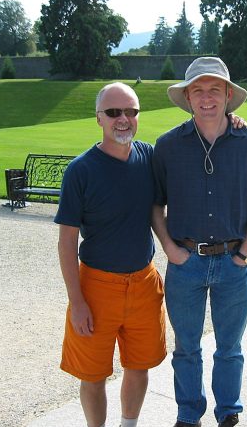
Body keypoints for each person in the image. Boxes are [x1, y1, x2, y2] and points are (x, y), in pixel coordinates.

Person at [151, 57, 247, 427]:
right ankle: (189, 414)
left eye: (214, 90)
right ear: (188, 98)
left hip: (233, 262)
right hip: (185, 262)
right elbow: (155, 205)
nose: (206, 98)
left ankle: (228, 412)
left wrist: (244, 255)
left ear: (227, 96)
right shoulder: (168, 146)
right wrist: (170, 250)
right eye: (198, 91)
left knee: (230, 348)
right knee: (186, 348)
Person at [54, 82, 167, 427]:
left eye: (131, 111)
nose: (123, 119)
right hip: (96, 286)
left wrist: (231, 119)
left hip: (144, 281)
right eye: (114, 112)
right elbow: (66, 242)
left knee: (139, 365)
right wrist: (77, 302)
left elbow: (191, 143)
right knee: (92, 374)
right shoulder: (81, 170)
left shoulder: (148, 157)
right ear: (98, 118)